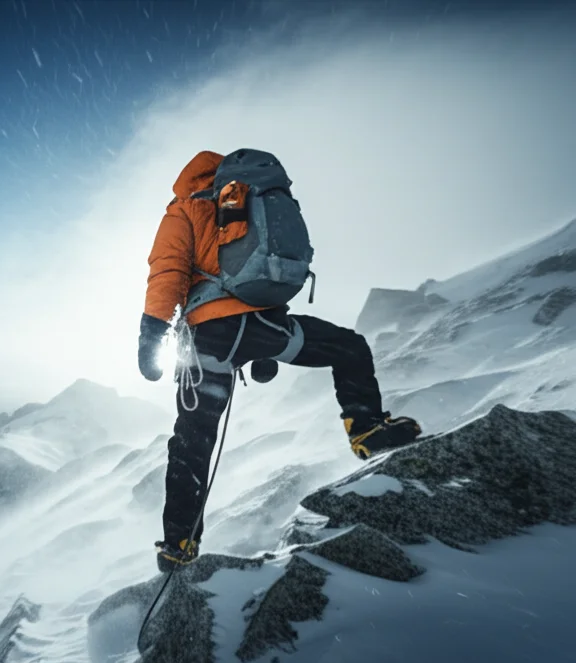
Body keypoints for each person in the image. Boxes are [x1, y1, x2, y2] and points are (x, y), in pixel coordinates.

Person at [137, 150, 421, 573]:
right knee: (348, 347)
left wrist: (151, 333)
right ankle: (367, 429)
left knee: (192, 443)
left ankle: (179, 544)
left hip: (209, 344)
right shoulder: (249, 198)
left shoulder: (186, 208)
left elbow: (168, 272)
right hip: (266, 329)